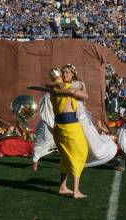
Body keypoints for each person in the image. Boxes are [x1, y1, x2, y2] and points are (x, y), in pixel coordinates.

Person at [49, 64, 89, 199]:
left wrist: (79, 87)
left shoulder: (64, 86)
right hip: (65, 127)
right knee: (78, 155)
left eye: (67, 73)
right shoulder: (56, 87)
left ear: (72, 75)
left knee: (68, 157)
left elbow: (85, 96)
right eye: (63, 72)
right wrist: (78, 86)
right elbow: (74, 93)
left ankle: (63, 187)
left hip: (71, 125)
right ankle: (76, 191)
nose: (64, 75)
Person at [32, 69, 59, 171]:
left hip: (58, 119)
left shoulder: (61, 87)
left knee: (61, 141)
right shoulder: (48, 94)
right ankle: (35, 161)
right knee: (41, 140)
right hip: (48, 120)